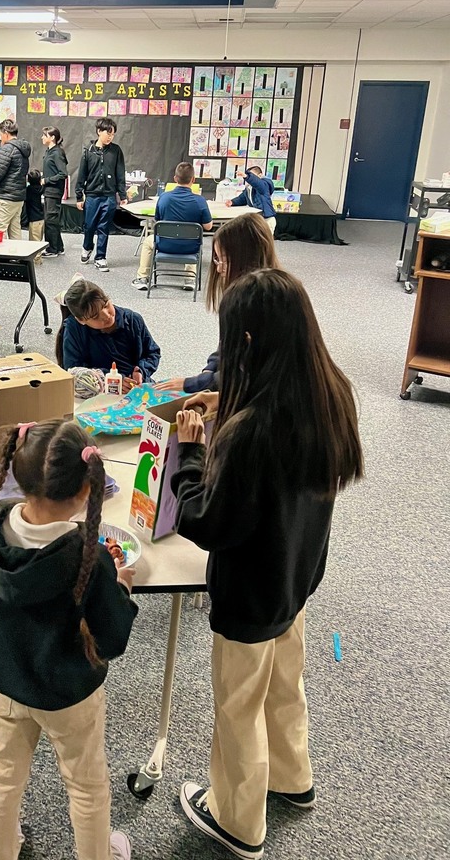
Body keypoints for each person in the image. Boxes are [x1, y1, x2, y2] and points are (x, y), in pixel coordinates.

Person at [173, 269, 364, 860]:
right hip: (296, 577)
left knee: (237, 705)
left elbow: (208, 524)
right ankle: (292, 775)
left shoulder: (253, 432)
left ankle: (237, 818)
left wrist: (190, 455)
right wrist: (225, 405)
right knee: (285, 686)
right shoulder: (330, 389)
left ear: (249, 342)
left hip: (250, 593)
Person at [0, 419, 138, 860]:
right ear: (84, 491)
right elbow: (112, 638)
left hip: (6, 681)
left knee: (3, 773)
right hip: (69, 694)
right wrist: (121, 587)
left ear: (18, 474)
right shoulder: (85, 557)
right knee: (87, 785)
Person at [156, 213, 281, 395]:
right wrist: (211, 369)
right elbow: (228, 345)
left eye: (224, 259)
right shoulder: (254, 293)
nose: (219, 267)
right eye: (216, 258)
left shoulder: (259, 301)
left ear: (248, 257)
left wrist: (196, 383)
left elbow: (246, 373)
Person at [59, 278, 160, 391]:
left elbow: (152, 352)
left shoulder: (132, 319)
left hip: (137, 387)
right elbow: (74, 370)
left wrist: (141, 371)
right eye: (95, 316)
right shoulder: (74, 328)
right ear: (81, 320)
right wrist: (111, 380)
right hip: (97, 391)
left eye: (106, 305)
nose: (106, 315)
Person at [132, 162, 213, 292]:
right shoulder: (200, 201)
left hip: (164, 244)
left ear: (175, 179)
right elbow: (208, 227)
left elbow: (158, 221)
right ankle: (190, 279)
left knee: (148, 242)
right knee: (195, 239)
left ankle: (143, 278)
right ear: (193, 180)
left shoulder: (164, 197)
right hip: (190, 247)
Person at [76, 118, 127, 273]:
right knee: (89, 225)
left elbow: (120, 173)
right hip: (91, 195)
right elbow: (81, 175)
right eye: (108, 133)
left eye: (113, 134)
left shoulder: (116, 151)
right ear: (99, 131)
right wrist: (79, 196)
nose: (110, 137)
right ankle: (87, 247)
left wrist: (122, 195)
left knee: (104, 227)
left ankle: (100, 258)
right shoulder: (88, 151)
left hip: (109, 196)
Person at [0, 119, 31, 239]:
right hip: (18, 196)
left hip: (6, 197)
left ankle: (3, 258)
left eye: (1, 134)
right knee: (15, 230)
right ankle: (18, 257)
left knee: (0, 230)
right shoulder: (22, 149)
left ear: (6, 133)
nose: (1, 138)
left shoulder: (6, 149)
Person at [41, 125, 68, 257]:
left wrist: (46, 180)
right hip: (49, 191)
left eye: (44, 135)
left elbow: (63, 174)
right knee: (52, 219)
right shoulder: (49, 151)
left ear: (52, 137)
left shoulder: (57, 153)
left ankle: (52, 249)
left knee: (50, 220)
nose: (42, 137)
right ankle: (59, 247)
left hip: (53, 191)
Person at [226, 166, 277, 234]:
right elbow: (242, 198)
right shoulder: (249, 188)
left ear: (260, 175)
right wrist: (232, 202)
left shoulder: (265, 184)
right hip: (256, 219)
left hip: (266, 219)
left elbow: (258, 183)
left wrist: (247, 176)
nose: (249, 178)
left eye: (252, 176)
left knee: (264, 241)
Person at [26, 168, 45, 252]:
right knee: (39, 240)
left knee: (34, 243)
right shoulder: (42, 188)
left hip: (33, 220)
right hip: (41, 218)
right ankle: (38, 258)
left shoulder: (29, 190)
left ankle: (36, 260)